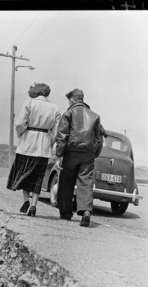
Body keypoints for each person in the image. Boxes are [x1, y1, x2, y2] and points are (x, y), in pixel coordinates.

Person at [7, 82, 61, 217]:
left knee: (24, 173)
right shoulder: (55, 108)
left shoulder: (29, 103)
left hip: (27, 143)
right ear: (47, 93)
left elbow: (20, 123)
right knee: (37, 176)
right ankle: (33, 205)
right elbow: (56, 131)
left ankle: (26, 200)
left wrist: (21, 134)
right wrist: (50, 142)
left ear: (34, 92)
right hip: (43, 146)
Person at [55, 88, 104, 227]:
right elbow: (99, 138)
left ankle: (65, 213)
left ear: (71, 99)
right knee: (86, 183)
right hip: (88, 153)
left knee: (66, 182)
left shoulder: (68, 113)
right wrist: (95, 153)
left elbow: (62, 136)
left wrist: (59, 155)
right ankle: (86, 211)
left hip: (71, 152)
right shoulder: (95, 116)